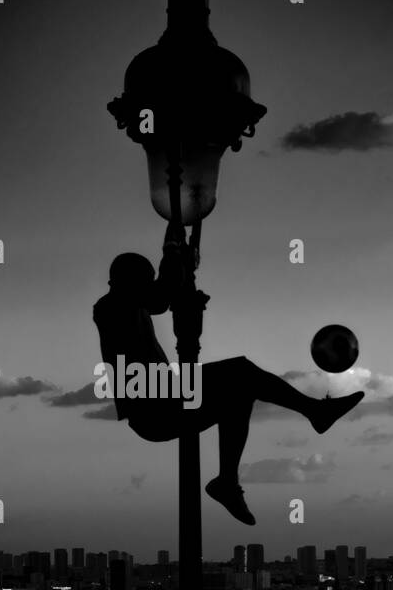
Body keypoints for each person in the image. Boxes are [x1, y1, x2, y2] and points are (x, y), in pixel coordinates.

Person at [92, 224, 364, 525]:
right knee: (241, 372)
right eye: (144, 282)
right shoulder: (111, 307)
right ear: (127, 283)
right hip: (155, 408)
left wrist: (182, 271)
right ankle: (313, 413)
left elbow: (164, 293)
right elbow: (162, 296)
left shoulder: (130, 306)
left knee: (240, 390)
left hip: (163, 399)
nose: (148, 287)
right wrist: (172, 249)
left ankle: (228, 482)